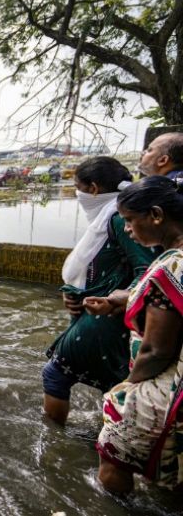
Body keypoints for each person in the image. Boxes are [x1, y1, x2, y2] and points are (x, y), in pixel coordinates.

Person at [84, 176, 183, 493]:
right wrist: (120, 299)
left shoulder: (173, 265)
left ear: (156, 215)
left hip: (166, 385)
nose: (126, 229)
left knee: (112, 456)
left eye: (129, 220)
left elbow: (157, 350)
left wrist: (129, 387)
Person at [43, 157, 157, 426]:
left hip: (108, 317)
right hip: (95, 313)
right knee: (113, 382)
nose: (77, 193)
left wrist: (113, 299)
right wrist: (73, 291)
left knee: (56, 373)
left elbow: (149, 270)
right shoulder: (109, 214)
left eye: (78, 187)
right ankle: (108, 434)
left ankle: (55, 438)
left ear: (93, 188)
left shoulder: (119, 218)